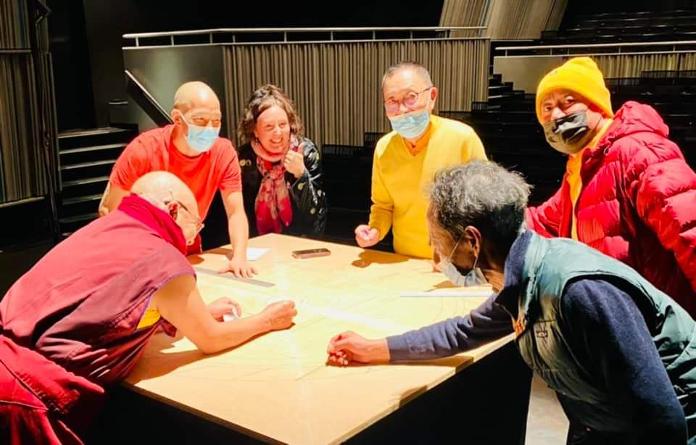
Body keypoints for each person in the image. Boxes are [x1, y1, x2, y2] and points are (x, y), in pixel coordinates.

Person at [328, 161, 696, 444]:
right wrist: (375, 348)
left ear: (472, 241)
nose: (434, 251)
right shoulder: (522, 275)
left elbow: (662, 418)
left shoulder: (578, 291)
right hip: (611, 423)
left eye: (437, 240)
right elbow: (463, 331)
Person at [0, 171, 297, 444]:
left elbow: (105, 305)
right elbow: (211, 338)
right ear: (173, 210)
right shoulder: (162, 257)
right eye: (196, 224)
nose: (195, 235)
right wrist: (268, 319)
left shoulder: (103, 227)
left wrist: (196, 313)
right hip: (27, 400)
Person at [525, 57, 696, 315]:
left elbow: (689, 231)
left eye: (568, 102)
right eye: (547, 108)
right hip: (618, 321)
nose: (556, 115)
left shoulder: (638, 151)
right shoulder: (582, 165)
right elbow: (543, 221)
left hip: (659, 325)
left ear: (597, 104)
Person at [99, 81, 256, 278]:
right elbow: (114, 214)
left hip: (188, 251)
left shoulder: (223, 152)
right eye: (200, 120)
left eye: (216, 121)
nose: (210, 128)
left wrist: (239, 256)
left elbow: (235, 212)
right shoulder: (143, 149)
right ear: (177, 118)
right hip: (142, 255)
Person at [354, 61, 487, 259]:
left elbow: (486, 205)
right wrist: (374, 231)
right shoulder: (384, 148)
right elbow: (383, 206)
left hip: (457, 262)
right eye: (392, 101)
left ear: (432, 96)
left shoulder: (463, 138)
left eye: (410, 97)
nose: (402, 109)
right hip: (404, 259)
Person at [237, 84, 326, 236]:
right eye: (269, 126)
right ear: (255, 130)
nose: (278, 133)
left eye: (283, 124)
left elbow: (315, 214)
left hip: (300, 241)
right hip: (256, 243)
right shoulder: (243, 158)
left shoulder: (305, 151)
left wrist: (301, 175)